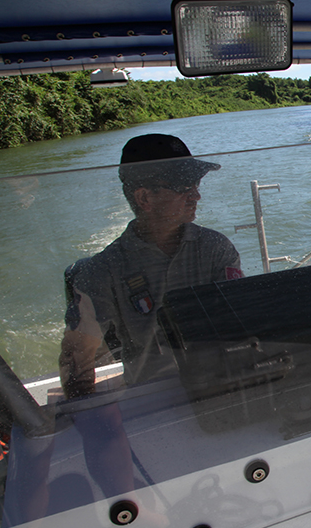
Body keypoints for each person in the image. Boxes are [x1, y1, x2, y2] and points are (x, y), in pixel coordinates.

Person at [59, 134, 242, 395]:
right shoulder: (101, 271)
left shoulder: (216, 249)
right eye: (184, 187)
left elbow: (239, 321)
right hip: (150, 398)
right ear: (145, 198)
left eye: (197, 184)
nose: (196, 196)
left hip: (219, 384)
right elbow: (78, 358)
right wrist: (95, 423)